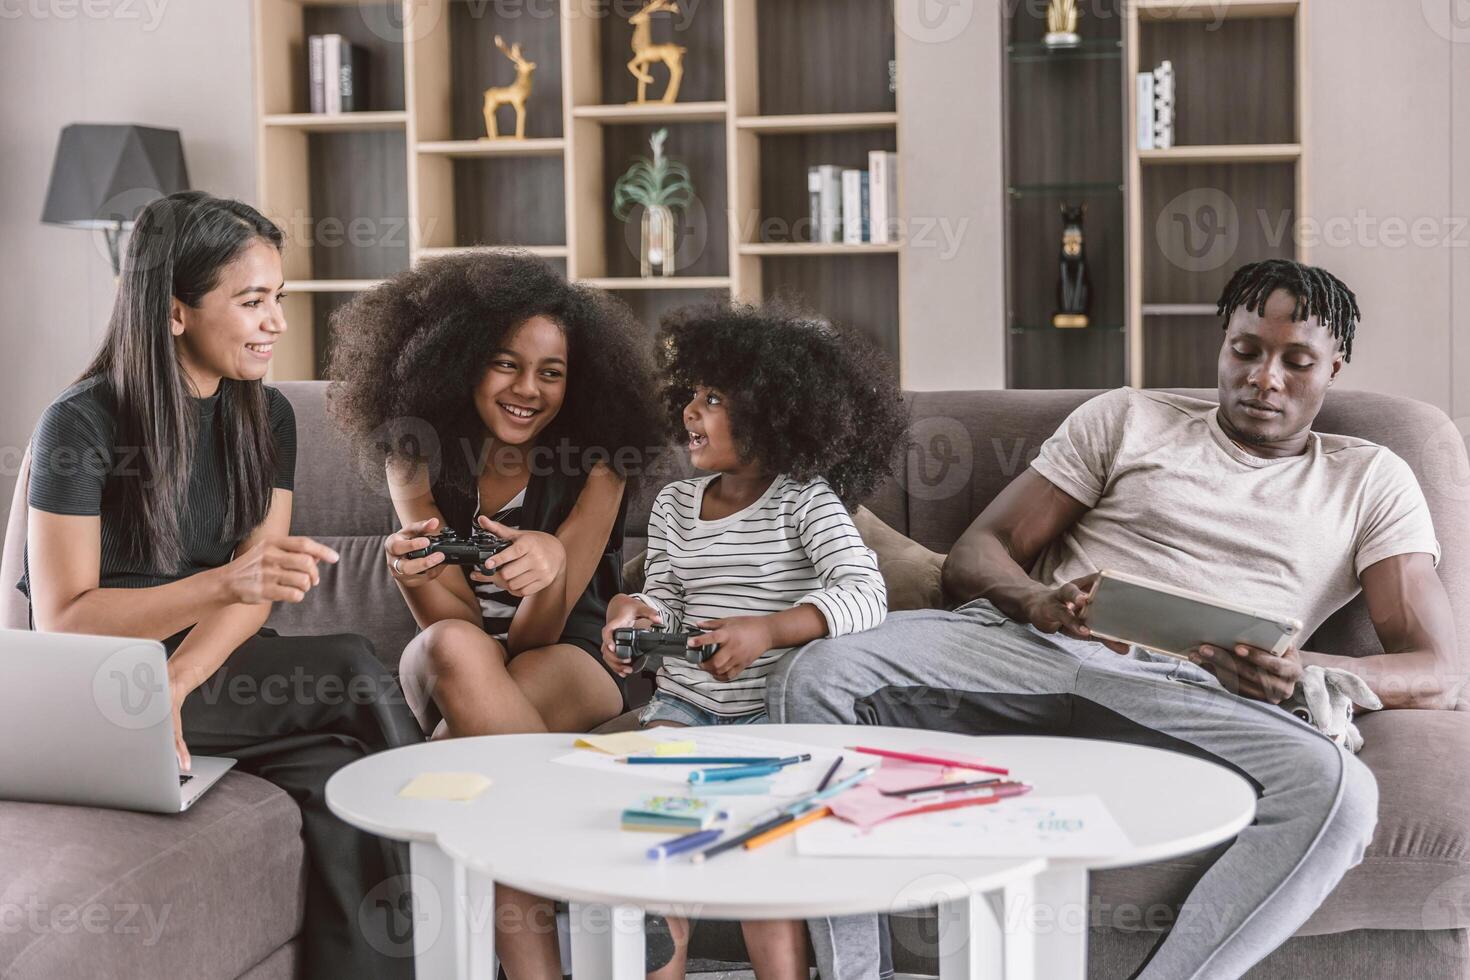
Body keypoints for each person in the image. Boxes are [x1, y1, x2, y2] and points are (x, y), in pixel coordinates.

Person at [768, 259, 1459, 979]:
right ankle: (852, 972)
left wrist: (1304, 672)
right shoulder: (1129, 418)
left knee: (1342, 795)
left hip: (1192, 695)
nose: (1264, 379)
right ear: (1222, 344)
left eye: (1297, 361)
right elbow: (982, 550)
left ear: (1334, 368)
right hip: (1031, 648)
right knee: (812, 672)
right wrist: (1034, 600)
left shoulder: (1370, 478)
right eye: (1247, 351)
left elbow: (1438, 670)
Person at [20, 191, 420, 980]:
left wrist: (176, 680)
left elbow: (258, 589)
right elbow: (63, 622)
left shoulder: (266, 416)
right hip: (99, 681)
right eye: (251, 301)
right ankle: (463, 838)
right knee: (349, 664)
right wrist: (217, 591)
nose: (275, 320)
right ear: (174, 312)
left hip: (201, 669)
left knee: (340, 782)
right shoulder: (81, 423)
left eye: (279, 298)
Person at [328, 250, 661, 979]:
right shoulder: (413, 455)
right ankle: (585, 865)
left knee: (473, 756)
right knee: (452, 643)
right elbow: (450, 624)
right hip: (455, 656)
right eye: (506, 364)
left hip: (570, 653)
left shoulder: (601, 461)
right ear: (458, 363)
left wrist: (549, 566)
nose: (528, 390)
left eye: (552, 372)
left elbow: (541, 633)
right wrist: (408, 572)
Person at [600, 304, 907, 979]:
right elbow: (667, 596)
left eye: (714, 398)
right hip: (681, 709)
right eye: (692, 394)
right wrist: (636, 614)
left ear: (776, 414)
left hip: (773, 718)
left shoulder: (805, 501)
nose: (690, 412)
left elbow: (865, 591)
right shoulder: (676, 506)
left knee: (763, 876)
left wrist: (769, 629)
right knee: (658, 857)